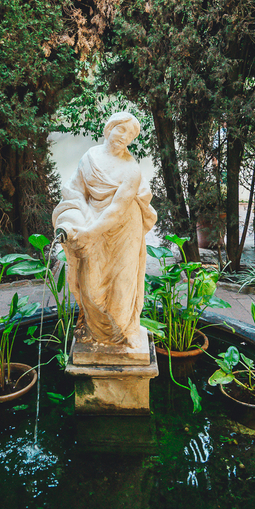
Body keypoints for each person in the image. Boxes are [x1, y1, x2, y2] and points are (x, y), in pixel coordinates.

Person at [52, 112, 157, 352]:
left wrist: (89, 232)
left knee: (123, 287)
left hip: (124, 230)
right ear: (109, 128)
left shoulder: (132, 169)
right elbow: (75, 192)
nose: (125, 137)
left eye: (130, 135)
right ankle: (94, 330)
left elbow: (117, 211)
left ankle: (126, 332)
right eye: (122, 129)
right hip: (91, 222)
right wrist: (74, 220)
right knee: (91, 288)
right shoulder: (90, 158)